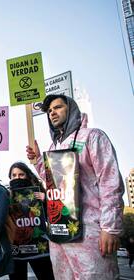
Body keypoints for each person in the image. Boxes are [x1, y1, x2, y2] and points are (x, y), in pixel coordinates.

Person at [26, 94, 124, 279]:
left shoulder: (93, 137)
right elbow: (55, 184)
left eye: (58, 107)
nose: (52, 113)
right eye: (49, 111)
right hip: (60, 234)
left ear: (71, 109)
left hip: (90, 232)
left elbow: (110, 183)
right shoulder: (54, 147)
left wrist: (110, 228)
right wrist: (38, 161)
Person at [8, 162, 54, 280]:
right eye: (14, 175)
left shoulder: (39, 192)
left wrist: (46, 200)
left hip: (39, 248)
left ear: (28, 176)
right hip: (15, 250)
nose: (17, 178)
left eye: (21, 175)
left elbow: (54, 216)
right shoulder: (6, 194)